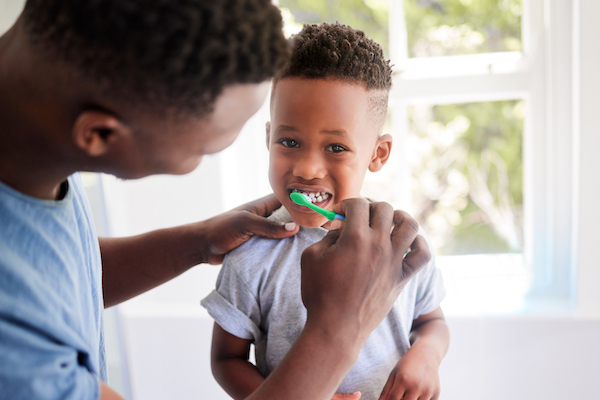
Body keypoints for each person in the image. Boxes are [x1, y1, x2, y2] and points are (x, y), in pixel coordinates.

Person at [0, 1, 431, 399]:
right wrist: (339, 329)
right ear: (99, 135)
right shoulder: (19, 358)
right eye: (203, 149)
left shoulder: (31, 146)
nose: (304, 168)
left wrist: (200, 240)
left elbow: (57, 269)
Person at [202, 22, 450, 400]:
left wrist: (426, 357)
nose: (306, 169)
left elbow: (431, 321)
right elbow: (226, 361)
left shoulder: (402, 244)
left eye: (335, 148)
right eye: (289, 141)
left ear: (377, 154)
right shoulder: (251, 257)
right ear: (268, 138)